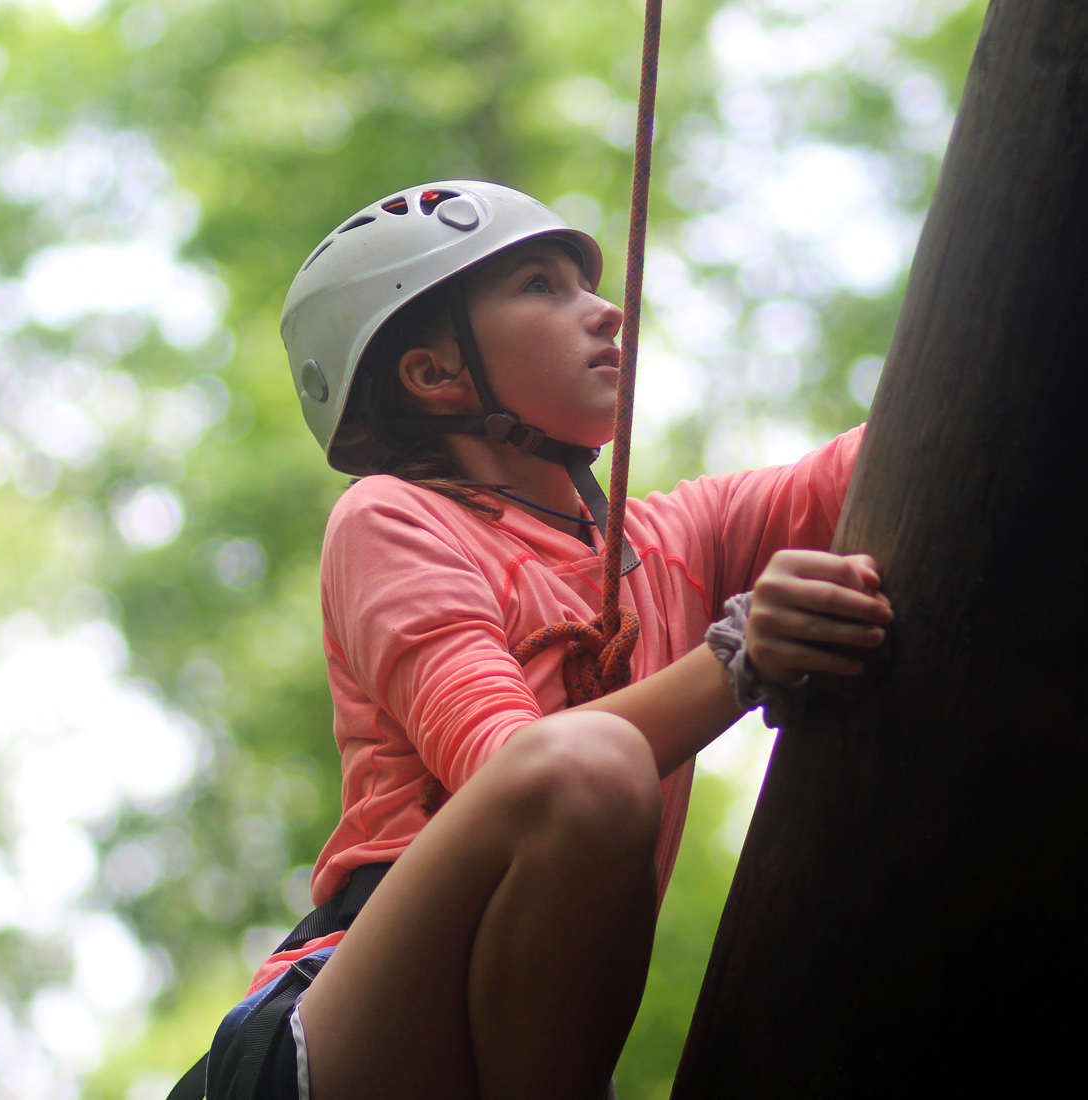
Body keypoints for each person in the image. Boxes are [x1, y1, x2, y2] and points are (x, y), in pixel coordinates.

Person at [205, 181, 892, 1100]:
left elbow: (897, 450)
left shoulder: (670, 542)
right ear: (435, 374)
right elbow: (517, 767)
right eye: (542, 286)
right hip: (352, 1026)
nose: (606, 312)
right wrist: (738, 662)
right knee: (586, 768)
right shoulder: (392, 518)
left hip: (525, 1053)